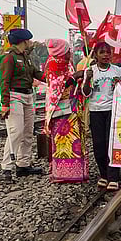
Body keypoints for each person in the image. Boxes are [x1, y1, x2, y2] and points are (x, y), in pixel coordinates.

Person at [0, 29, 44, 181]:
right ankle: (6, 166)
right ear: (23, 41)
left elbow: (36, 73)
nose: (31, 43)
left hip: (28, 95)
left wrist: (56, 77)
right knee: (16, 131)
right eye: (29, 40)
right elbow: (4, 81)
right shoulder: (9, 58)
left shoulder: (26, 57)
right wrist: (5, 104)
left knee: (28, 131)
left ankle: (23, 165)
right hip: (14, 96)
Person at [44, 39, 89, 183]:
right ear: (61, 51)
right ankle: (63, 173)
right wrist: (75, 77)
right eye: (68, 50)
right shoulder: (52, 64)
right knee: (62, 141)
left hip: (72, 107)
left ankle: (76, 172)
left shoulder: (66, 64)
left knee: (74, 139)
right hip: (60, 110)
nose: (70, 52)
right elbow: (57, 85)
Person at [83, 41, 121, 191]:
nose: (106, 55)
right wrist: (87, 79)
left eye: (108, 52)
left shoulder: (117, 71)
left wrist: (119, 85)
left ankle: (113, 177)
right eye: (102, 52)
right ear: (96, 55)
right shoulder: (90, 70)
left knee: (111, 143)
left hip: (113, 110)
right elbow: (86, 93)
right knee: (99, 145)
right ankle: (103, 175)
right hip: (96, 111)